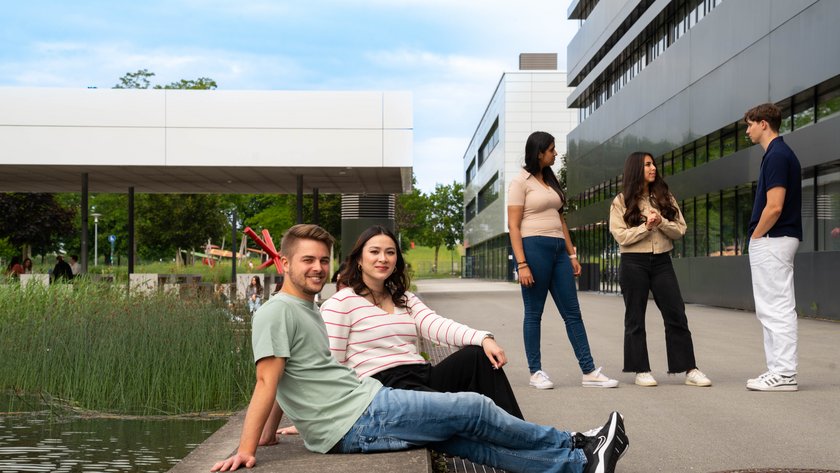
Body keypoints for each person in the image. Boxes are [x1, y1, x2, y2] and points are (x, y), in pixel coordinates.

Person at [210, 224, 629, 473]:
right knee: (474, 409)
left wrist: (267, 436)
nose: (317, 268)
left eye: (323, 260)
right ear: (284, 264)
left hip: (363, 405)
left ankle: (577, 466)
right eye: (307, 261)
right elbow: (266, 381)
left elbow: (288, 378)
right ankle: (575, 442)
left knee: (468, 442)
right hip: (359, 414)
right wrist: (246, 449)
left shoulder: (308, 309)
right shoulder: (277, 312)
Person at [322, 225, 523, 418]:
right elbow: (331, 364)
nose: (383, 259)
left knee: (477, 356)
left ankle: (518, 430)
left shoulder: (403, 298)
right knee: (466, 412)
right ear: (359, 258)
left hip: (421, 376)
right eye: (374, 252)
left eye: (390, 253)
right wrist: (324, 415)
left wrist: (483, 338)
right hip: (384, 389)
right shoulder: (342, 303)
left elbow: (436, 325)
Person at [507, 131, 618, 390]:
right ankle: (536, 372)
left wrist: (572, 254)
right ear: (538, 153)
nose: (556, 153)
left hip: (558, 251)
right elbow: (513, 226)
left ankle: (589, 371)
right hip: (533, 249)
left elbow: (561, 219)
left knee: (573, 313)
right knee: (534, 313)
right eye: (552, 150)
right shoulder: (519, 182)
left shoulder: (550, 180)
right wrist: (521, 264)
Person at [609, 152, 712, 388]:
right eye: (647, 164)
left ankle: (689, 369)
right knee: (635, 317)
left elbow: (680, 229)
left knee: (676, 313)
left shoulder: (665, 197)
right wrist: (646, 226)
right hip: (633, 262)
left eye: (653, 163)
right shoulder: (621, 201)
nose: (653, 168)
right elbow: (621, 236)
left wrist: (661, 222)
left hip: (662, 261)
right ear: (636, 168)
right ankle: (641, 369)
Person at [743, 103, 802, 392]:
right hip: (775, 239)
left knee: (776, 307)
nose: (747, 130)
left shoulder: (777, 155)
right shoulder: (777, 154)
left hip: (773, 239)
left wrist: (756, 236)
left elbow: (775, 206)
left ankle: (784, 373)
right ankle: (778, 371)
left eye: (750, 124)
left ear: (764, 123)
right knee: (771, 308)